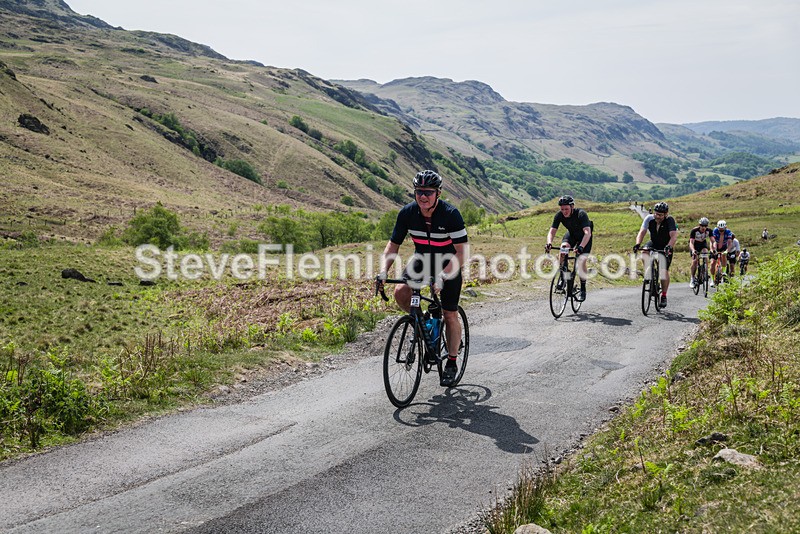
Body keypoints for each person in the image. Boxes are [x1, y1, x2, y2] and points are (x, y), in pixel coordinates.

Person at [376, 170, 468, 387]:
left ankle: (452, 362)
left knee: (449, 313)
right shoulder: (407, 213)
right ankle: (424, 323)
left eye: (428, 192)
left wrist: (443, 276)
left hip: (448, 262)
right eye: (419, 192)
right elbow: (393, 246)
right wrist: (383, 271)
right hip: (422, 260)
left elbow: (462, 252)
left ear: (438, 193)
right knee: (401, 292)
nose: (423, 196)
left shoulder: (451, 214)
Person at [544, 195, 593, 301]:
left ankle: (583, 289)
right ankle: (563, 277)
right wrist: (549, 243)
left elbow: (587, 233)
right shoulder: (559, 215)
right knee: (563, 249)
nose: (564, 212)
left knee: (581, 261)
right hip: (572, 235)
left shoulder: (581, 214)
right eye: (562, 209)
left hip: (584, 238)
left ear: (572, 206)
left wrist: (581, 247)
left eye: (566, 209)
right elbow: (552, 231)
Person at [633, 202, 678, 308]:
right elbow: (642, 232)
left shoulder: (670, 220)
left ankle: (664, 295)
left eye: (660, 215)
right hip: (654, 242)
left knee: (663, 271)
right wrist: (637, 244)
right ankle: (649, 274)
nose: (657, 216)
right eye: (656, 214)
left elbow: (673, 237)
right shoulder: (649, 218)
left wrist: (669, 247)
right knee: (644, 252)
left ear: (666, 214)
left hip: (666, 245)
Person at [688, 217, 712, 289]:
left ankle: (705, 271)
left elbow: (713, 241)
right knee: (695, 260)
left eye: (705, 226)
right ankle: (692, 278)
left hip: (702, 244)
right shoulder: (694, 231)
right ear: (699, 225)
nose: (704, 227)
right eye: (702, 226)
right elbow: (691, 242)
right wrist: (693, 250)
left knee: (706, 253)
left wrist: (713, 249)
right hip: (694, 245)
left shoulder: (709, 231)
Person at [710, 220, 734, 286]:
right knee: (712, 263)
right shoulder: (715, 231)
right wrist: (713, 250)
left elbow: (730, 243)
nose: (721, 231)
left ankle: (724, 271)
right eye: (720, 230)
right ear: (717, 228)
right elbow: (712, 242)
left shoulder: (728, 232)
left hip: (723, 247)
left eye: (722, 230)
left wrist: (727, 251)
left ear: (725, 228)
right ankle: (712, 279)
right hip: (715, 247)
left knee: (724, 255)